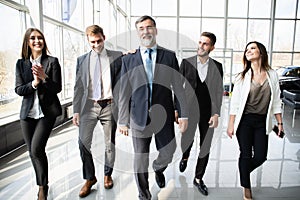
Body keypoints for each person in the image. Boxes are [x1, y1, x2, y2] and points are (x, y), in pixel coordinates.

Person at [118, 15, 188, 200]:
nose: (145, 31)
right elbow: (124, 92)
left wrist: (183, 114)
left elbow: (178, 88)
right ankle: (144, 195)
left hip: (163, 115)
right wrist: (123, 120)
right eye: (141, 28)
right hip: (138, 116)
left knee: (168, 151)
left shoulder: (169, 56)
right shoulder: (128, 59)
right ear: (137, 32)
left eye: (149, 27)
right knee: (140, 158)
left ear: (155, 30)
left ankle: (158, 168)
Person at [227, 41, 283, 200]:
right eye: (247, 49)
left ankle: (243, 171)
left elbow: (277, 101)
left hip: (262, 121)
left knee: (260, 156)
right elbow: (235, 104)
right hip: (244, 121)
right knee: (245, 154)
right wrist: (231, 124)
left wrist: (280, 123)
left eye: (252, 48)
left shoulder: (272, 74)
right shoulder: (242, 77)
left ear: (261, 52)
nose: (248, 51)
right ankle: (247, 188)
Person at [72, 25, 122, 197]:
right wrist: (76, 110)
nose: (96, 45)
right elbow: (78, 87)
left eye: (99, 41)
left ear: (104, 37)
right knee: (83, 142)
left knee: (110, 144)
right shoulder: (81, 60)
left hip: (109, 105)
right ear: (88, 40)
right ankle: (89, 178)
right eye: (92, 42)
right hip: (88, 107)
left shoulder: (116, 57)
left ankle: (108, 174)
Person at [15, 28, 62, 200]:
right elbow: (19, 89)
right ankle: (43, 182)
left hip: (47, 113)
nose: (37, 41)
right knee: (32, 152)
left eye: (40, 38)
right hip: (27, 115)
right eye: (33, 38)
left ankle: (42, 186)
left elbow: (57, 88)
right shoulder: (21, 64)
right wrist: (34, 83)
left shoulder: (52, 61)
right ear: (27, 42)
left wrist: (45, 78)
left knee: (37, 148)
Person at [178, 32, 223, 196]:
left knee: (205, 146)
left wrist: (216, 113)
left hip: (207, 113)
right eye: (200, 42)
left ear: (212, 47)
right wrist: (178, 110)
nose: (201, 46)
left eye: (205, 44)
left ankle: (198, 178)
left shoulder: (217, 66)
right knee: (186, 141)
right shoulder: (186, 63)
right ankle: (185, 156)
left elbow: (218, 91)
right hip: (189, 111)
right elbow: (177, 88)